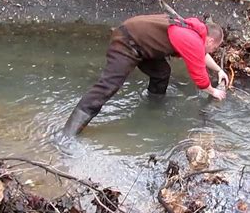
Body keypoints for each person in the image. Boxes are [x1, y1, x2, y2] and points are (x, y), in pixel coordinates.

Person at [63, 13, 229, 136]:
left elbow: (201, 54)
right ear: (209, 41)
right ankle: (69, 132)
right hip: (126, 42)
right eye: (214, 48)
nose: (213, 51)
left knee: (162, 72)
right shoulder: (192, 39)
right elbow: (199, 77)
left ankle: (153, 106)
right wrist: (214, 91)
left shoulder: (193, 32)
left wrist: (218, 70)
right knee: (109, 86)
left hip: (142, 45)